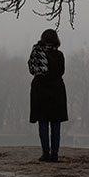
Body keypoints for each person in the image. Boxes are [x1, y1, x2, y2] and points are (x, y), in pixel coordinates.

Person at [28, 29, 67, 162]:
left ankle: (45, 153)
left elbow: (32, 70)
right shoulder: (59, 55)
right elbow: (61, 72)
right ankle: (55, 153)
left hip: (41, 90)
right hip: (57, 90)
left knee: (43, 122)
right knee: (56, 124)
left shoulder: (37, 53)